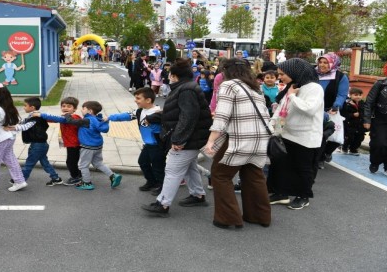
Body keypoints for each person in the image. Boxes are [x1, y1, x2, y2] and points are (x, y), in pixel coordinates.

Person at [205, 58, 272, 229]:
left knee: (220, 174)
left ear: (226, 71)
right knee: (253, 175)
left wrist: (211, 140)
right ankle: (260, 216)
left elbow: (222, 115)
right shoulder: (256, 88)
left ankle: (228, 218)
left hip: (240, 138)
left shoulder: (228, 86)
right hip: (259, 139)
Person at [141, 59, 212, 217]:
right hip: (193, 137)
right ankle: (198, 195)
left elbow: (188, 117)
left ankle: (162, 203)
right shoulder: (186, 87)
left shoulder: (186, 90)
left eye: (170, 75)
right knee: (189, 167)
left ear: (174, 76)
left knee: (172, 169)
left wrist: (179, 140)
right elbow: (178, 114)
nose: (169, 77)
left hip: (188, 139)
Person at [268, 59, 324, 210]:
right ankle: (281, 193)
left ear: (295, 72)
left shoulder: (314, 88)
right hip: (286, 133)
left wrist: (293, 96)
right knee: (281, 165)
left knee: (302, 168)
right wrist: (272, 125)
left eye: (282, 74)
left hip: (306, 136)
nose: (280, 77)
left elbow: (309, 109)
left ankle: (303, 196)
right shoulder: (293, 86)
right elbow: (281, 109)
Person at [53, 101, 122, 190]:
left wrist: (66, 115)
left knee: (83, 165)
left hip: (88, 146)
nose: (81, 110)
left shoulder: (86, 120)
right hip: (98, 146)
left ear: (89, 111)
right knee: (98, 163)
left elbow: (72, 121)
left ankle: (87, 183)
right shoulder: (97, 119)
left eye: (83, 108)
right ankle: (113, 176)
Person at [107, 87, 163, 192]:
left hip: (157, 145)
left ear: (148, 100)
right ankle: (151, 181)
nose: (135, 100)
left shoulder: (159, 113)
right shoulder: (140, 111)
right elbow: (126, 116)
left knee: (158, 167)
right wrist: (110, 117)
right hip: (148, 145)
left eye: (138, 98)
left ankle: (162, 185)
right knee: (143, 162)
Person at [5, 97, 62, 186]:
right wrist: (11, 124)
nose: (23, 107)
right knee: (45, 163)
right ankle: (56, 178)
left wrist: (11, 128)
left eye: (25, 105)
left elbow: (25, 126)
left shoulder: (36, 118)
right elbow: (22, 122)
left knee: (29, 163)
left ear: (32, 107)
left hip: (38, 145)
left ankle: (20, 180)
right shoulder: (32, 116)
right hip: (40, 144)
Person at [36, 97, 83, 185]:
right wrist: (43, 119)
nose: (65, 108)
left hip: (74, 144)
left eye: (69, 106)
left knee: (70, 162)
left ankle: (75, 178)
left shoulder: (74, 117)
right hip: (71, 143)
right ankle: (78, 174)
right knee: (73, 161)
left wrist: (41, 115)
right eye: (63, 106)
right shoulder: (66, 116)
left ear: (75, 109)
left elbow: (59, 119)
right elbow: (55, 119)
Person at [316, 53, 349, 162]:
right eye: (320, 62)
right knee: (317, 135)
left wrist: (336, 105)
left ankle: (326, 152)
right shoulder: (313, 74)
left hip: (330, 110)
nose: (322, 65)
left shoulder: (340, 77)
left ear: (333, 63)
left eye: (325, 62)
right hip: (313, 108)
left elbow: (342, 94)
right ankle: (318, 158)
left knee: (333, 137)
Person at [340, 88, 366, 155]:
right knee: (349, 137)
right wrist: (352, 115)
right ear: (351, 95)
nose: (358, 96)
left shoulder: (363, 103)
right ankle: (344, 147)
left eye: (360, 95)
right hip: (350, 125)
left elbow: (365, 113)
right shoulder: (347, 103)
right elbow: (343, 114)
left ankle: (353, 149)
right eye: (356, 95)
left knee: (360, 138)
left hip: (360, 125)